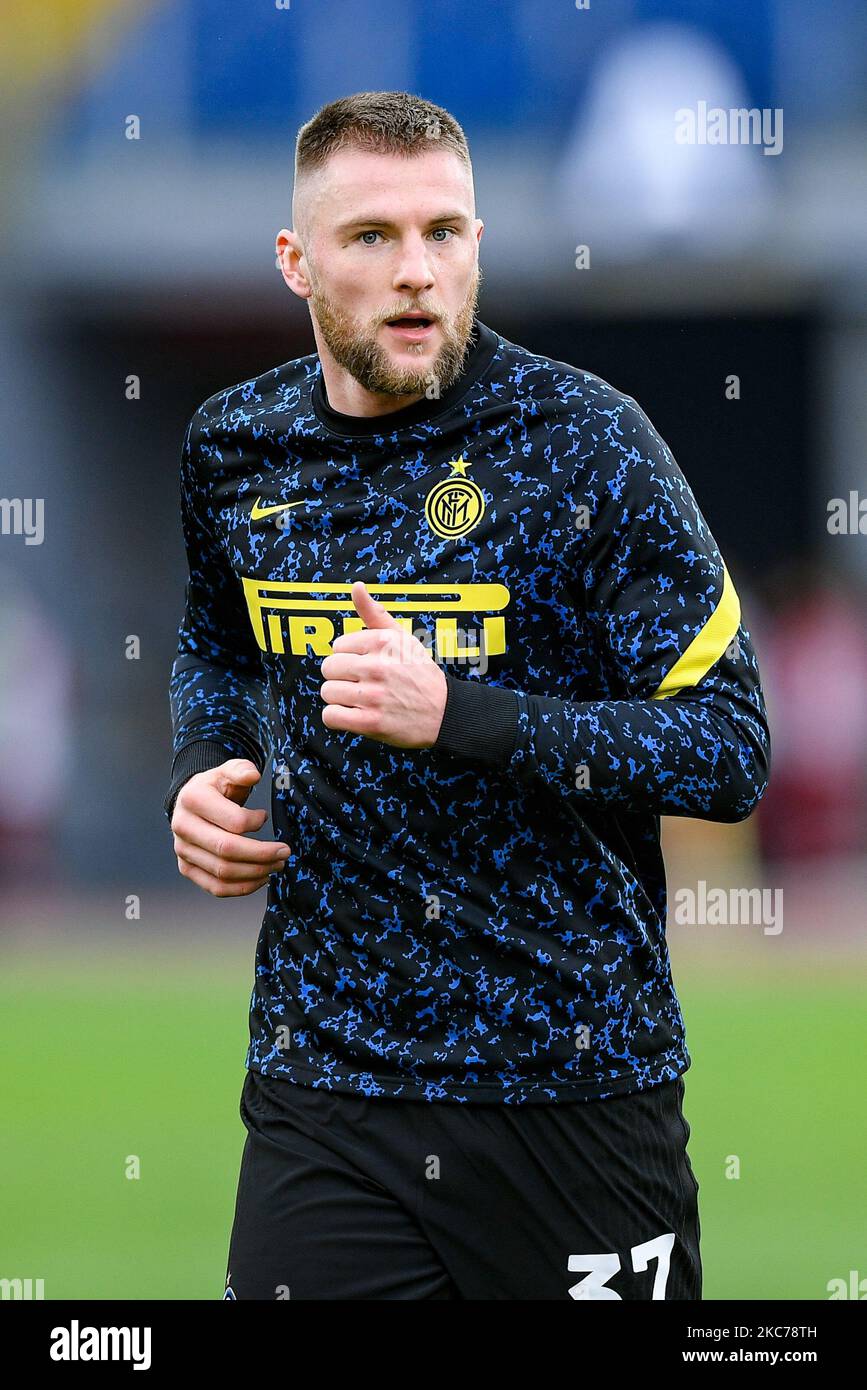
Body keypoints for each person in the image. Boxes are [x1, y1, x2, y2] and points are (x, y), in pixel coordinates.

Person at [164, 90, 770, 1300]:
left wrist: (463, 716)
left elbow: (729, 748)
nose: (415, 274)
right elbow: (214, 642)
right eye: (372, 237)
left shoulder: (589, 444)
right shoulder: (235, 447)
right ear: (296, 262)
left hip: (572, 1086)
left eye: (444, 232)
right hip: (327, 1084)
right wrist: (207, 763)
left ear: (479, 245)